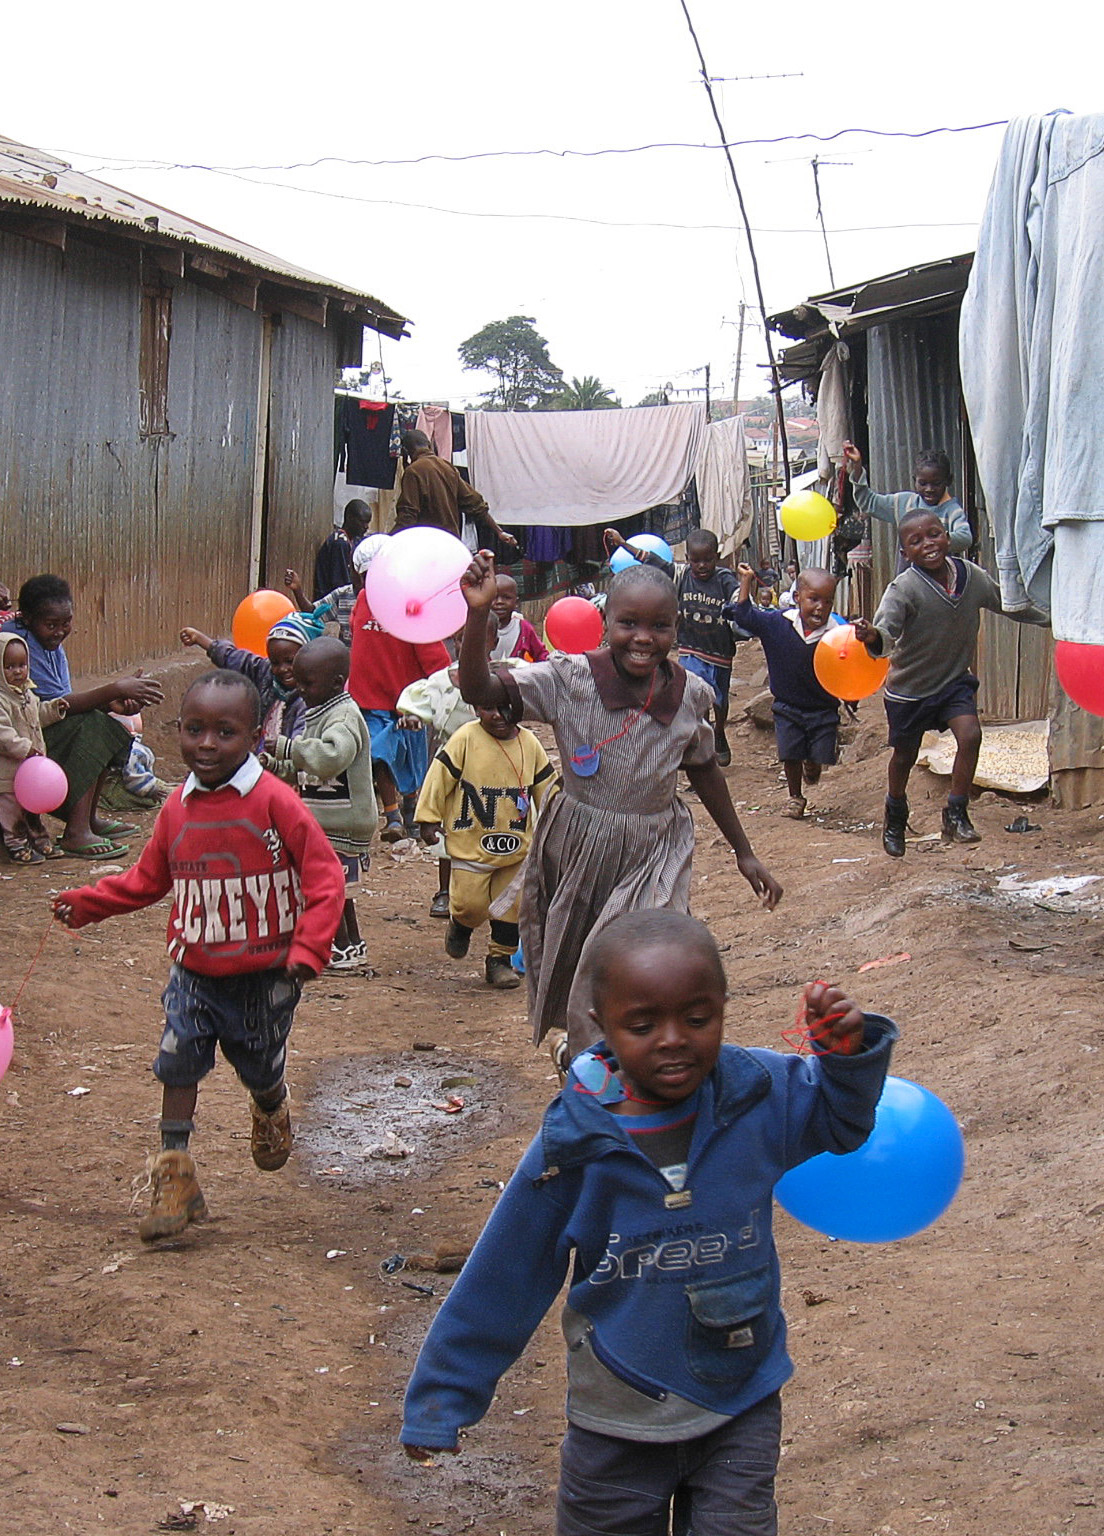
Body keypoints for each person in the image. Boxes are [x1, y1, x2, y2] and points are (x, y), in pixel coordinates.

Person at [400, 909, 898, 1536]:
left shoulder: (758, 1094)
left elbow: (841, 1124)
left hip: (739, 1396)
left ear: (722, 1006)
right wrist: (442, 1400)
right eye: (642, 1024)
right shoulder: (575, 1142)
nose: (672, 1038)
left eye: (697, 1018)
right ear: (598, 1025)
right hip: (618, 1417)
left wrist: (847, 1057)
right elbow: (509, 1270)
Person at [457, 551, 783, 1067]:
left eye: (660, 626)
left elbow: (703, 769)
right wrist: (476, 616)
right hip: (580, 842)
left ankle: (615, 1068)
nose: (643, 638)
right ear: (605, 619)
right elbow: (481, 690)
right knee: (580, 955)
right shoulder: (569, 679)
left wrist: (745, 852)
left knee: (640, 950)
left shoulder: (689, 693)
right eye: (628, 623)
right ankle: (590, 1064)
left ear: (677, 628)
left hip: (656, 846)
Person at [52, 670, 345, 1242]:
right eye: (193, 730)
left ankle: (270, 1099)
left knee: (256, 1061)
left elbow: (324, 874)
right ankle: (174, 1173)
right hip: (193, 968)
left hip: (266, 974)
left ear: (257, 735)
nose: (206, 744)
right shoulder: (176, 809)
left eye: (225, 732)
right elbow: (147, 879)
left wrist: (310, 946)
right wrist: (88, 904)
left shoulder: (273, 801)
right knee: (178, 1057)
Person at [853, 508, 1042, 857]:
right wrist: (870, 636)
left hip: (954, 681)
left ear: (947, 536)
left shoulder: (972, 577)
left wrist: (1054, 618)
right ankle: (895, 811)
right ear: (904, 553)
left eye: (935, 534)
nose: (928, 544)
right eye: (916, 541)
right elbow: (886, 635)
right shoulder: (904, 588)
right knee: (904, 756)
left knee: (970, 735)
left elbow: (1009, 603)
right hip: (910, 690)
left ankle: (956, 812)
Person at [2, 575, 165, 858]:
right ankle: (77, 831)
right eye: (51, 624)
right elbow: (45, 709)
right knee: (92, 726)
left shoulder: (47, 643)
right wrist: (111, 691)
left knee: (100, 722)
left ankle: (88, 819)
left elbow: (58, 706)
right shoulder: (17, 648)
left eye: (66, 623)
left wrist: (111, 702)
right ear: (27, 618)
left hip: (37, 728)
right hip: (18, 743)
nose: (60, 631)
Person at [415, 701, 555, 989]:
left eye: (506, 708)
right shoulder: (466, 739)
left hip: (516, 848)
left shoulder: (529, 744)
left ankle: (499, 960)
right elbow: (439, 777)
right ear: (476, 707)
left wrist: (558, 823)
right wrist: (428, 818)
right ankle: (462, 924)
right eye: (489, 708)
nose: (498, 715)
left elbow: (548, 788)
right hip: (471, 845)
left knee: (512, 907)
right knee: (470, 905)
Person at [266, 637, 377, 972]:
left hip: (343, 820)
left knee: (329, 887)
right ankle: (352, 944)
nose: (300, 690)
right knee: (340, 889)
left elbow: (329, 757)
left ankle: (338, 946)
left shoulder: (343, 717)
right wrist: (274, 766)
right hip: (328, 818)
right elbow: (306, 768)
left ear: (335, 682)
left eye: (307, 683)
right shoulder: (322, 711)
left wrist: (287, 748)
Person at [347, 534, 450, 847]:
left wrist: (440, 687)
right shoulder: (364, 601)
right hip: (369, 697)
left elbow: (432, 652)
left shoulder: (412, 605)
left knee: (410, 759)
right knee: (377, 754)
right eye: (365, 577)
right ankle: (391, 815)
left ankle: (410, 809)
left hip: (409, 700)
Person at [730, 564, 843, 820]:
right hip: (787, 705)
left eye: (827, 601)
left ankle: (813, 763)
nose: (820, 607)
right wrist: (746, 581)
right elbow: (745, 616)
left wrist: (851, 697)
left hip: (824, 707)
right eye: (813, 599)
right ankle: (795, 797)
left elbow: (851, 671)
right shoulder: (777, 624)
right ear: (796, 598)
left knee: (821, 753)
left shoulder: (836, 636)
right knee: (790, 753)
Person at [180, 612, 314, 754]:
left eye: (290, 661)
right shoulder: (265, 673)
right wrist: (202, 640)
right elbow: (235, 659)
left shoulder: (309, 699)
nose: (282, 669)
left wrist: (283, 753)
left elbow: (300, 747)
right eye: (275, 662)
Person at [0, 633, 68, 862]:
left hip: (31, 772)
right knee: (11, 813)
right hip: (9, 773)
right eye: (9, 666)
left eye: (22, 665)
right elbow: (3, 734)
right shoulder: (2, 700)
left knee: (32, 811)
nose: (17, 671)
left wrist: (54, 709)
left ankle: (39, 839)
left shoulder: (28, 695)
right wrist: (25, 748)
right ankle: (16, 845)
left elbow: (38, 715)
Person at [676, 529, 741, 766]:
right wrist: (623, 544)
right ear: (687, 558)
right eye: (696, 560)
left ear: (717, 556)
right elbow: (656, 564)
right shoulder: (683, 577)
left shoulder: (724, 579)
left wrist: (745, 587)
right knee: (697, 696)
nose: (702, 565)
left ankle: (720, 730)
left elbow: (738, 600)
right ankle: (705, 742)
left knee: (719, 700)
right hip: (691, 647)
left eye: (708, 559)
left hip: (719, 652)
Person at [842, 442, 972, 559]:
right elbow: (868, 502)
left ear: (948, 481)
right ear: (914, 480)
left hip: (940, 580)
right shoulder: (904, 503)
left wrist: (937, 539)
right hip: (908, 578)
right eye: (923, 483)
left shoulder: (952, 511)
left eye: (936, 483)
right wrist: (857, 467)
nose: (929, 489)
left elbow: (965, 538)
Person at [393, 430, 518, 551]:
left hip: (428, 546)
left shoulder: (413, 471)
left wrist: (387, 541)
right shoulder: (447, 467)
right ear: (429, 445)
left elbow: (407, 515)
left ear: (406, 451)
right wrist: (499, 532)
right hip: (452, 544)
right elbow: (475, 503)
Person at [314, 498, 370, 601]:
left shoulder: (351, 541)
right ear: (349, 518)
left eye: (367, 523)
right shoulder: (340, 544)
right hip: (328, 605)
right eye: (362, 522)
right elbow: (340, 585)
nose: (366, 527)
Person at [490, 573, 549, 663]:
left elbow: (542, 655)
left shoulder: (524, 628)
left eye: (506, 597)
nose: (499, 602)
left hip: (516, 676)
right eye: (494, 597)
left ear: (516, 602)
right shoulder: (479, 628)